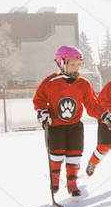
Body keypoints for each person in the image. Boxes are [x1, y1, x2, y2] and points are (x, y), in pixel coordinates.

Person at [33, 45, 98, 197]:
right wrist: (42, 112)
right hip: (56, 125)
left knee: (75, 154)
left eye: (79, 64)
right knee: (57, 154)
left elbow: (93, 105)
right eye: (72, 64)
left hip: (75, 126)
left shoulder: (83, 84)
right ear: (62, 63)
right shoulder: (50, 82)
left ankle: (72, 182)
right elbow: (39, 99)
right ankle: (55, 179)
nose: (76, 68)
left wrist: (105, 115)